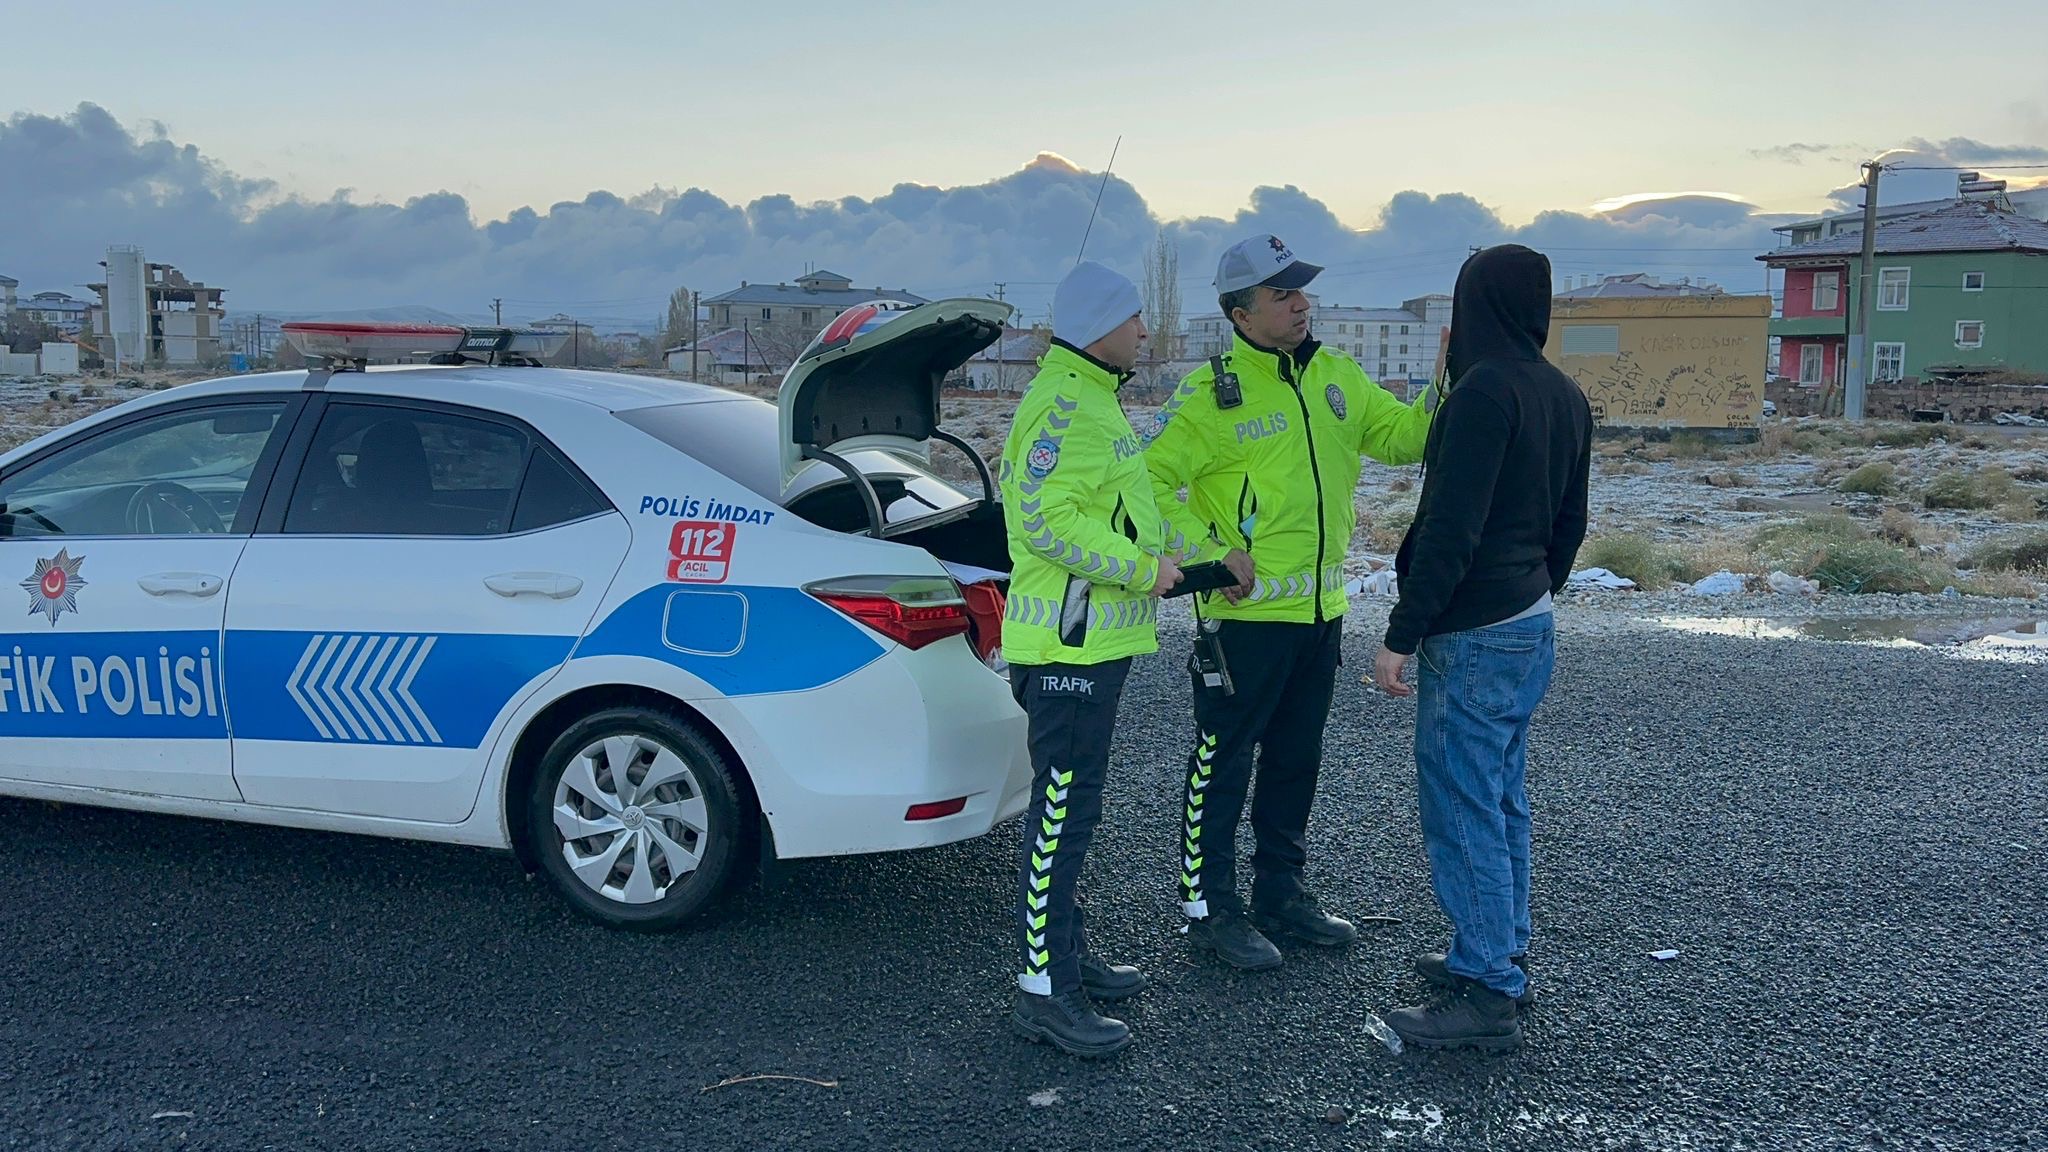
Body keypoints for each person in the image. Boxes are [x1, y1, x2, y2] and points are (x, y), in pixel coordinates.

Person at [1145, 235, 1434, 970]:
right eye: (1282, 294)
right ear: (1240, 313)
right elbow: (1146, 486)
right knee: (1224, 759)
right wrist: (1207, 553)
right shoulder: (1209, 392)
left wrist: (1445, 381)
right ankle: (1209, 906)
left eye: (1302, 290)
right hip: (1245, 619)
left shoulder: (1337, 374)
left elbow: (1403, 440)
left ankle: (1281, 892)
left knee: (1295, 760)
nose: (1302, 304)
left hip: (1319, 614)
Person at [1371, 243, 1593, 1051]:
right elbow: (1570, 523)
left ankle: (1489, 989)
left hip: (1470, 633)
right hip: (1528, 621)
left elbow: (1447, 531)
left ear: (1473, 308)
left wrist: (1403, 632)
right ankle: (1499, 948)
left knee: (1463, 807)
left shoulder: (1480, 394)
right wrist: (1533, 590)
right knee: (1501, 799)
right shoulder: (1563, 393)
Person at [1000, 260, 1183, 1058]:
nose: (1145, 331)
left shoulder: (1091, 399)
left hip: (1090, 642)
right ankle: (1045, 988)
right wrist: (1145, 571)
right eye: (1135, 317)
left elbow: (1111, 513)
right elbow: (1045, 522)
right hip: (1066, 646)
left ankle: (1065, 955)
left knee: (1077, 812)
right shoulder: (1067, 404)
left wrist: (1176, 558)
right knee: (1061, 820)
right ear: (1098, 326)